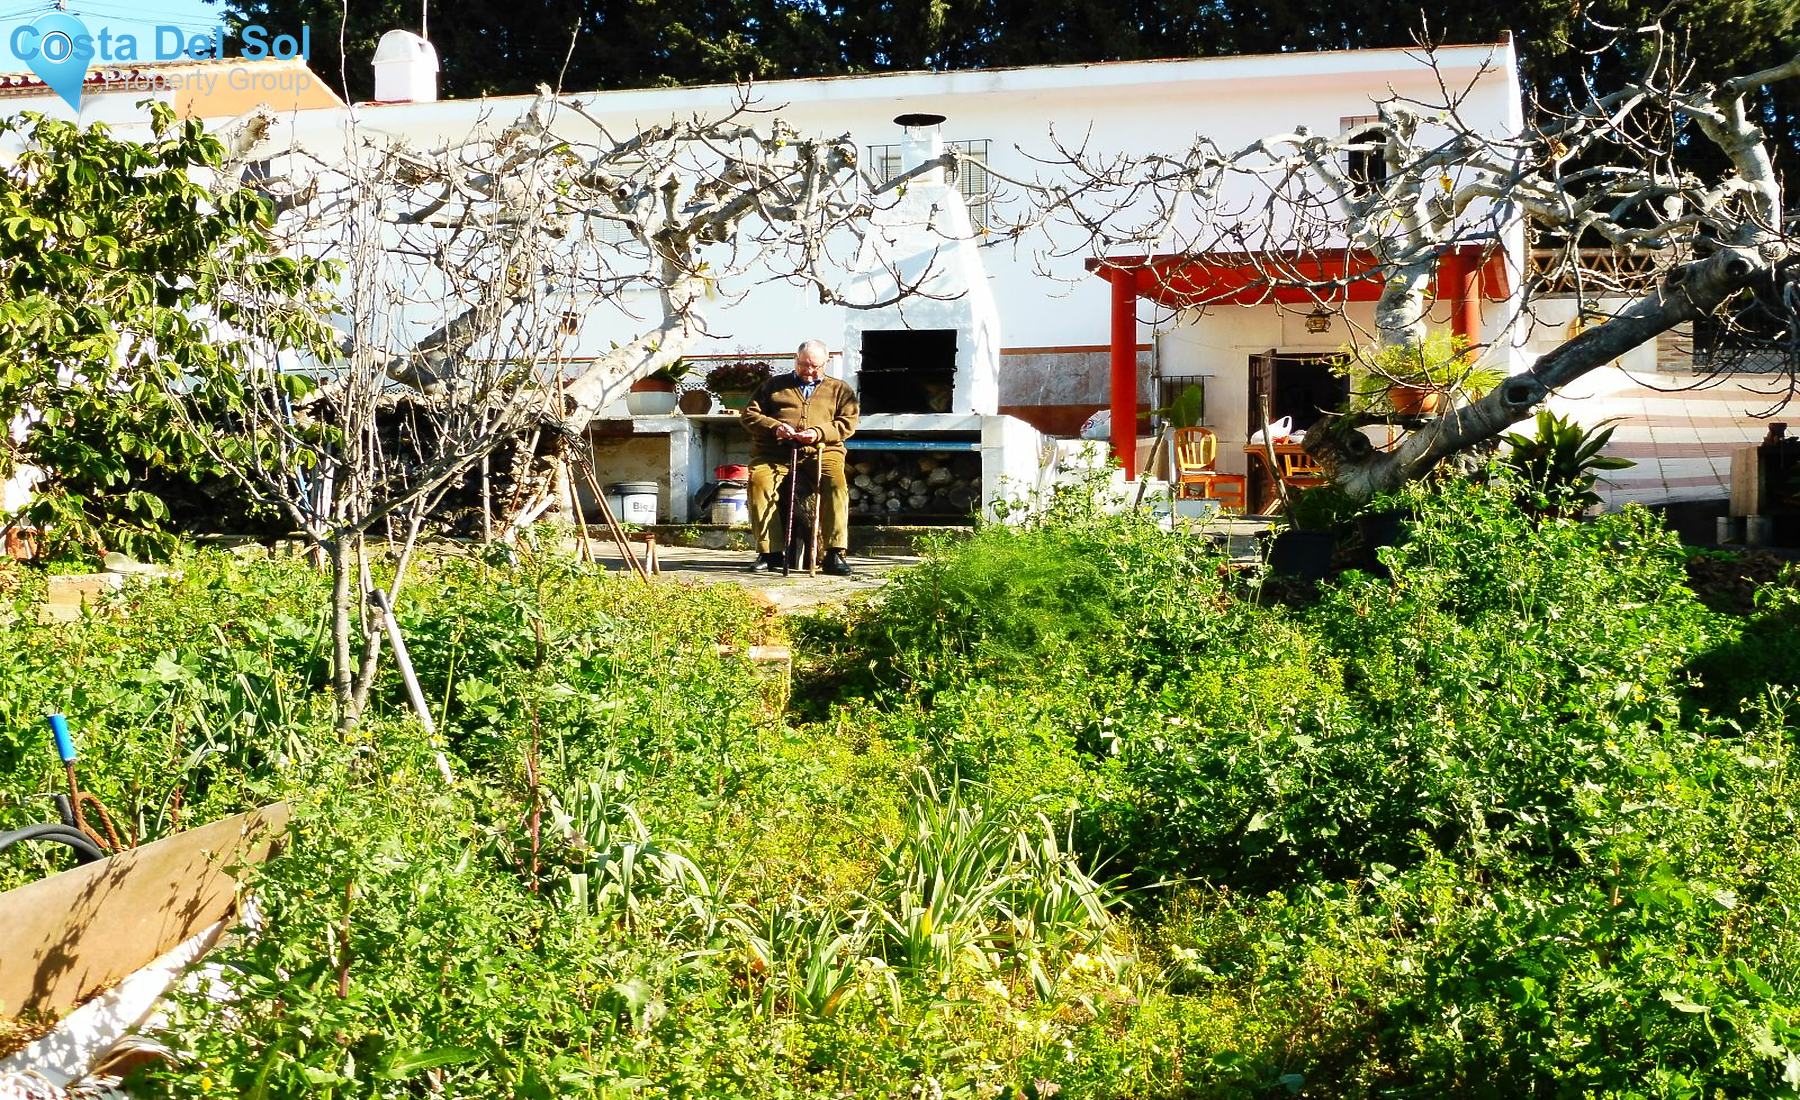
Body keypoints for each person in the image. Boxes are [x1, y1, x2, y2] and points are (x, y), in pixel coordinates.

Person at [740, 340, 859, 575]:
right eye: (804, 365)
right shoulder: (773, 386)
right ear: (796, 360)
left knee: (836, 485)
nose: (809, 371)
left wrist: (817, 432)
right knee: (759, 482)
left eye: (815, 366)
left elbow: (848, 423)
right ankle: (770, 552)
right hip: (775, 453)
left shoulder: (840, 390)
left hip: (824, 450)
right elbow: (749, 415)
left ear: (826, 363)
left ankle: (834, 553)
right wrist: (775, 427)